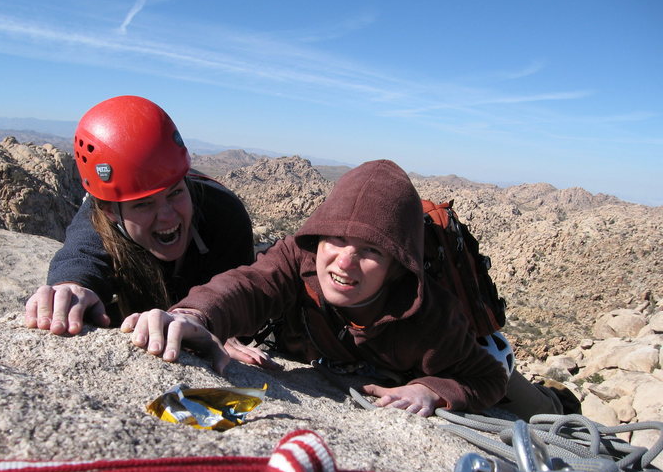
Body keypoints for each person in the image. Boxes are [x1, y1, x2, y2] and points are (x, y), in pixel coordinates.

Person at [122, 159, 512, 416]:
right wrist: (195, 315)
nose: (344, 262)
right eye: (336, 240)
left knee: (525, 400)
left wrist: (431, 389)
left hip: (482, 352)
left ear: (396, 265)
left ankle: (557, 398)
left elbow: (488, 377)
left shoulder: (429, 317)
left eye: (371, 249)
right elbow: (248, 286)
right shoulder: (297, 257)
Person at [24, 95, 276, 368]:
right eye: (144, 204)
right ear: (110, 211)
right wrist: (70, 286)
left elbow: (235, 287)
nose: (167, 215)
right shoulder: (101, 217)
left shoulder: (223, 213)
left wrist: (220, 323)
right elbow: (82, 255)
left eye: (176, 192)